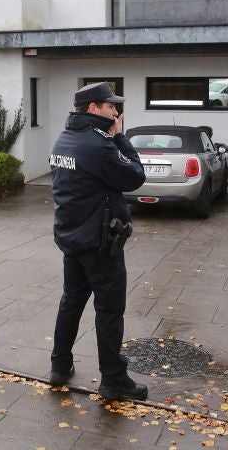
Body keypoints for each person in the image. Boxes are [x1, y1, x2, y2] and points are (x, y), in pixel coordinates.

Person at [47, 81, 148, 401]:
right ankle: (114, 380)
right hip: (100, 244)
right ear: (93, 108)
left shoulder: (64, 141)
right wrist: (120, 137)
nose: (116, 112)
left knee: (71, 302)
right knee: (109, 311)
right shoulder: (98, 145)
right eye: (110, 107)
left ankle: (59, 366)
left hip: (71, 239)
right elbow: (134, 176)